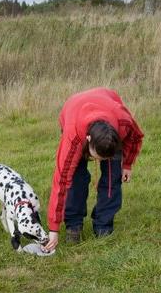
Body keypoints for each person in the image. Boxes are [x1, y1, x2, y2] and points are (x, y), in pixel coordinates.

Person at [44, 87, 144, 251]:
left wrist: (127, 164)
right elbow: (61, 182)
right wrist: (53, 228)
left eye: (104, 158)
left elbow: (135, 137)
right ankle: (73, 225)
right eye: (97, 156)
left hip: (109, 108)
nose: (98, 161)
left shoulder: (123, 121)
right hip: (74, 112)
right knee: (76, 178)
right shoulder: (74, 136)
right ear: (88, 140)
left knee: (113, 178)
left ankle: (103, 226)